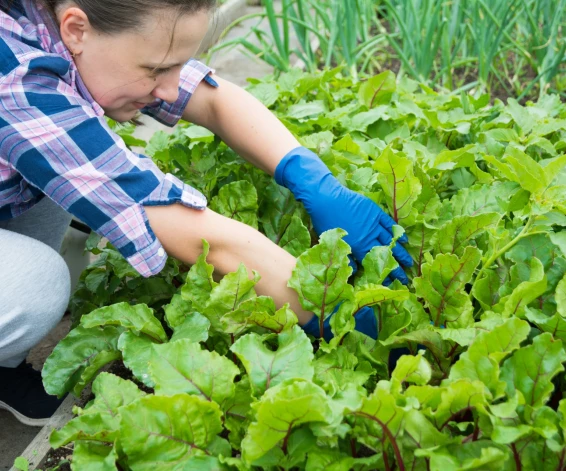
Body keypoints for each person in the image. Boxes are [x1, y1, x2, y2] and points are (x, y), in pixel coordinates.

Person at [0, 0, 413, 426]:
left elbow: (213, 100)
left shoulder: (57, 23)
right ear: (76, 29)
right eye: (158, 70)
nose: (170, 89)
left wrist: (311, 177)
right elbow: (202, 237)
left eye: (180, 65)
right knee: (39, 285)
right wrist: (342, 317)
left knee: (58, 190)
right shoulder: (15, 80)